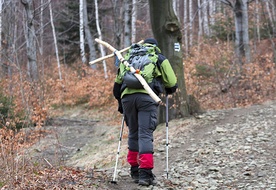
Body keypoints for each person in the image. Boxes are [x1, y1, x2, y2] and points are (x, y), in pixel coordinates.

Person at [113, 38, 177, 186]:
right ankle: (145, 175)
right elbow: (172, 82)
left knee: (134, 133)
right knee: (145, 134)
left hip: (127, 98)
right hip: (147, 98)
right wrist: (166, 88)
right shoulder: (158, 57)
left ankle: (134, 170)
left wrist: (121, 101)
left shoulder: (129, 57)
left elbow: (117, 85)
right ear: (155, 47)